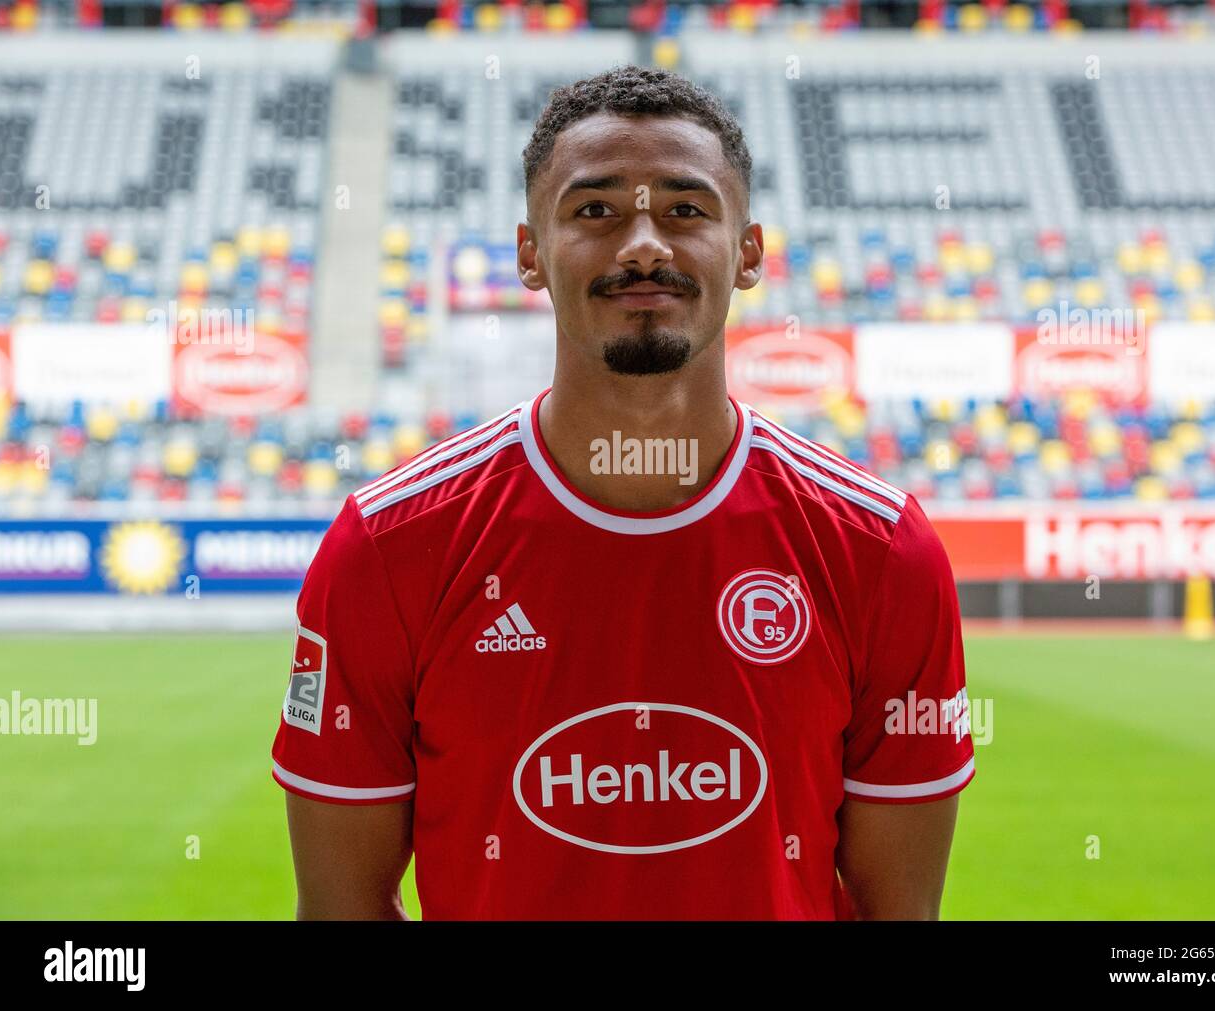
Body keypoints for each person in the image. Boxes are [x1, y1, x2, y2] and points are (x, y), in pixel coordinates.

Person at [271, 64, 974, 920]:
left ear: (747, 252)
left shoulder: (881, 549)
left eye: (686, 208)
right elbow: (341, 909)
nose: (644, 244)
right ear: (530, 253)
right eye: (595, 210)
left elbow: (899, 914)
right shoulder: (387, 547)